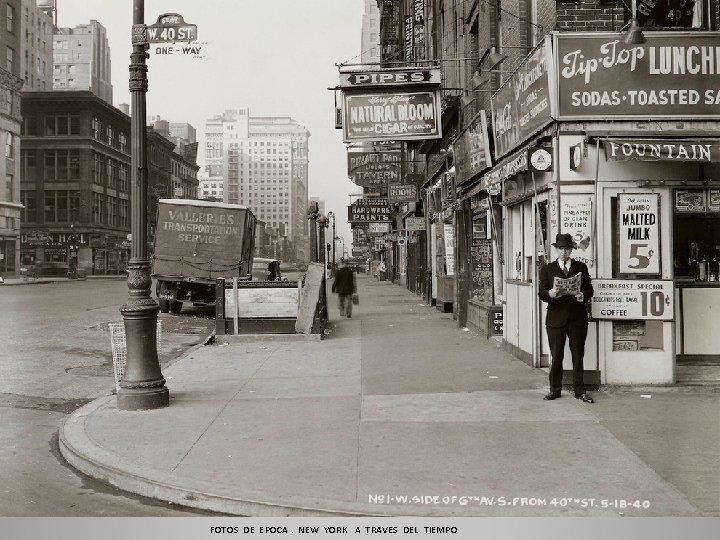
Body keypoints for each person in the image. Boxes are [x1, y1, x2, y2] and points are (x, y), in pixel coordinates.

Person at [538, 233, 595, 403]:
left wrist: (582, 296)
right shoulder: (548, 268)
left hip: (577, 318)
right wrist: (550, 293)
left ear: (571, 250)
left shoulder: (580, 267)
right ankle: (555, 390)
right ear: (556, 250)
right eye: (560, 249)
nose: (563, 252)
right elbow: (541, 292)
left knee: (578, 356)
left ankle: (580, 391)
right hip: (556, 319)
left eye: (566, 249)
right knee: (556, 355)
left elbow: (589, 290)